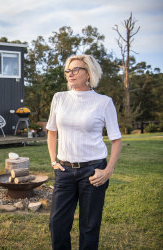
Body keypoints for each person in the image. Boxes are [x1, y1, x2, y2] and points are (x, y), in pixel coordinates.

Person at [46, 54, 122, 250]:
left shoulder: (104, 102)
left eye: (75, 70)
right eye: (67, 71)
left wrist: (108, 171)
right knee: (57, 224)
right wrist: (54, 161)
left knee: (89, 228)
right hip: (64, 171)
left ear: (88, 73)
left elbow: (116, 140)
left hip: (93, 172)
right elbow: (52, 132)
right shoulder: (59, 98)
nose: (69, 74)